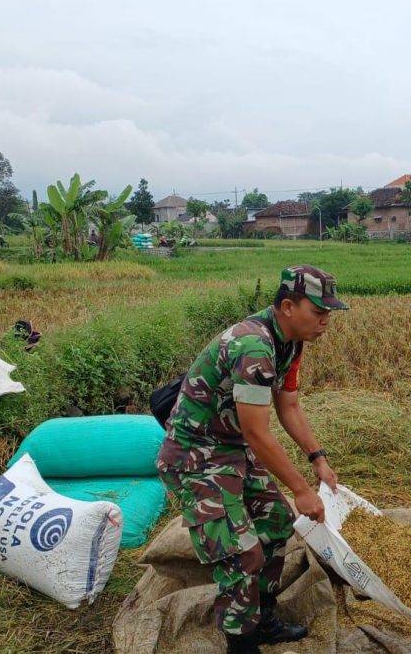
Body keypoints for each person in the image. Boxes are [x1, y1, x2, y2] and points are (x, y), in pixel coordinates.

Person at [156, 265, 347, 654]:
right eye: (318, 311)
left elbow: (288, 404)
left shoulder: (290, 341)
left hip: (231, 447)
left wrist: (318, 458)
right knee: (242, 553)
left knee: (278, 523)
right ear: (288, 307)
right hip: (196, 457)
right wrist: (302, 490)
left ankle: (260, 618)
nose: (325, 320)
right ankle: (241, 645)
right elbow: (259, 434)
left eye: (330, 312)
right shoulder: (254, 348)